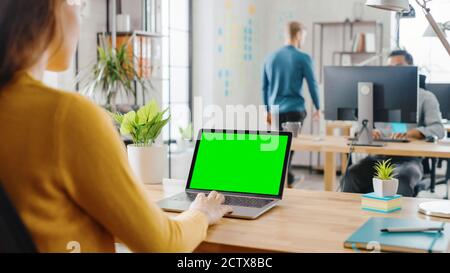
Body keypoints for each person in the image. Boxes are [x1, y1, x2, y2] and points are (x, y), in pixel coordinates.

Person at [0, 0, 232, 253]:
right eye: (74, 3)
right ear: (43, 10)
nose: (79, 13)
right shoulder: (64, 116)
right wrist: (201, 213)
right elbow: (164, 245)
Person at [341, 50, 446, 197]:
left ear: (411, 67)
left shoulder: (426, 97)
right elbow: (361, 125)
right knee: (351, 175)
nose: (394, 71)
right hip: (377, 157)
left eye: (399, 65)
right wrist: (367, 131)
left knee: (401, 181)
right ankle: (351, 218)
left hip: (408, 160)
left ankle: (396, 220)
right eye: (390, 68)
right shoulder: (377, 96)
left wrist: (414, 133)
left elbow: (438, 129)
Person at [262, 21, 321, 188]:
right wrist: (318, 107)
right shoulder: (303, 57)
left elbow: (264, 87)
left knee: (280, 149)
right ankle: (286, 181)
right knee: (289, 148)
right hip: (295, 111)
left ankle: (283, 180)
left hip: (274, 112)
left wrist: (266, 109)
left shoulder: (270, 57)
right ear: (299, 35)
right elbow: (312, 84)